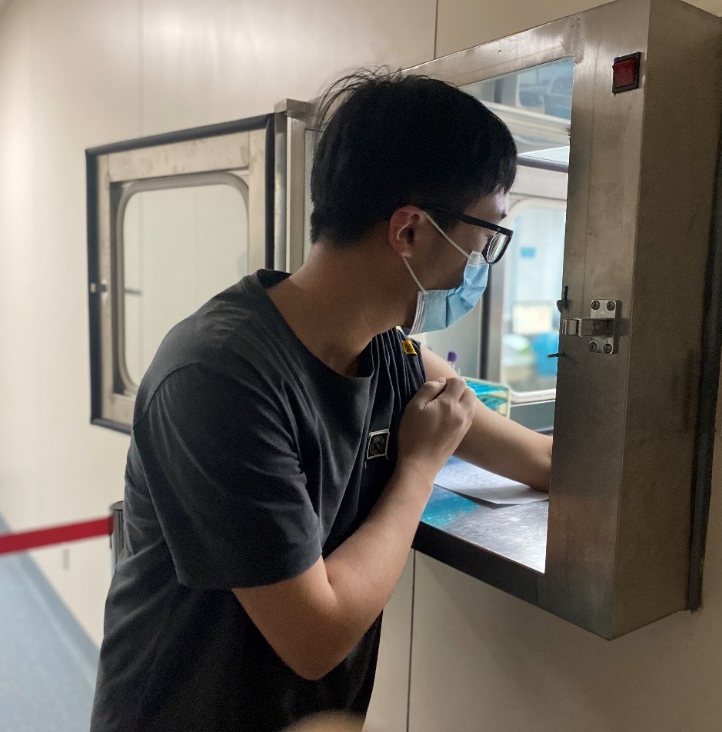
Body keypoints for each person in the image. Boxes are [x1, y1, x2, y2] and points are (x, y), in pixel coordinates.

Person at [90, 68, 553, 731]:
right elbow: (316, 636)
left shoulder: (391, 356)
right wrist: (420, 467)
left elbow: (540, 461)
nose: (480, 262)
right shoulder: (218, 376)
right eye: (485, 238)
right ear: (410, 231)